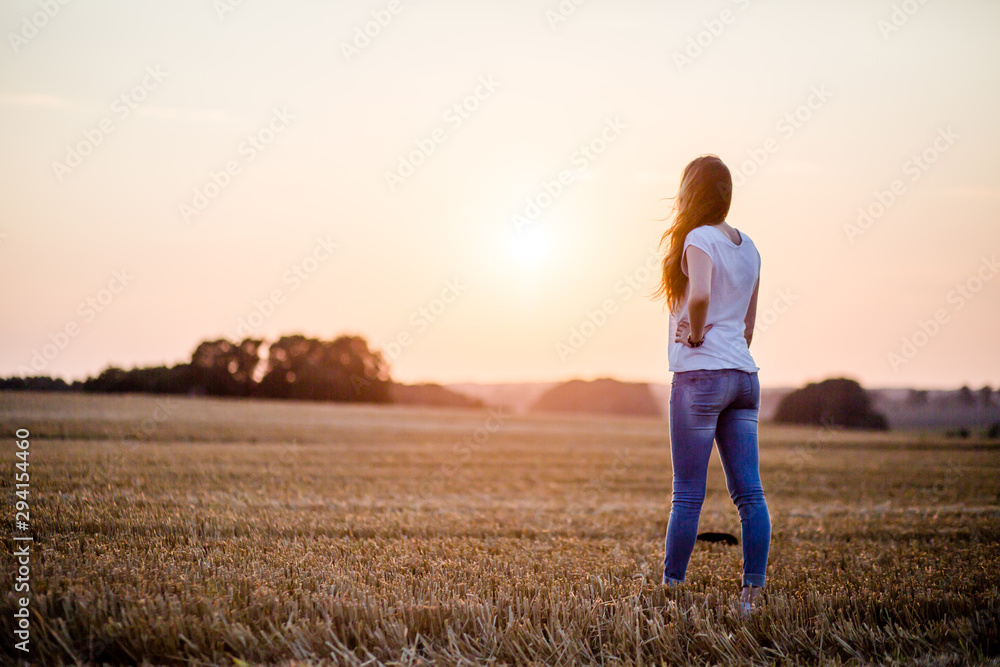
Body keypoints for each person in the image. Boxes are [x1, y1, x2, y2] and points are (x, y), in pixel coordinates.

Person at [652, 154, 770, 612]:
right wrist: (725, 341)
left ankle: (672, 590)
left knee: (687, 494)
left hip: (701, 377)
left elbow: (698, 293)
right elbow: (748, 325)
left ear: (690, 194)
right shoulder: (750, 246)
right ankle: (751, 593)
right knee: (750, 493)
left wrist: (697, 333)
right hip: (744, 376)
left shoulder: (698, 239)